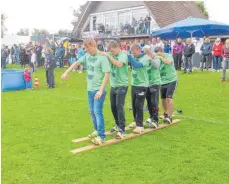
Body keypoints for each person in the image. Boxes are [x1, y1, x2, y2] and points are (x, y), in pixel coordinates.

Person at [61, 38, 110, 145]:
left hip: (98, 90)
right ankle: (97, 130)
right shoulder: (87, 56)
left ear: (93, 45)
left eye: (88, 48)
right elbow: (77, 63)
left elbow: (107, 74)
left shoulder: (103, 57)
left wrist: (101, 91)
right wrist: (66, 72)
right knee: (91, 112)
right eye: (86, 49)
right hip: (90, 89)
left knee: (97, 112)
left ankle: (101, 136)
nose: (87, 51)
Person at [99, 40, 129, 139]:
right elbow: (99, 53)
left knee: (119, 106)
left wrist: (108, 56)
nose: (111, 53)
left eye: (112, 51)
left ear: (117, 47)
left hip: (122, 85)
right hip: (114, 85)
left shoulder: (122, 55)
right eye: (110, 51)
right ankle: (117, 125)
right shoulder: (111, 53)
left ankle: (122, 130)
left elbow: (119, 64)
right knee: (113, 106)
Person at [127, 43, 150, 134]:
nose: (133, 54)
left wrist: (129, 56)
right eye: (131, 52)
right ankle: (135, 121)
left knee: (139, 105)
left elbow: (136, 65)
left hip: (142, 85)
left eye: (134, 52)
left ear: (138, 49)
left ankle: (140, 126)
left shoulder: (145, 58)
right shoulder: (134, 57)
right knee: (133, 104)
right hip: (134, 84)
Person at [154, 46, 178, 124]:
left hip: (172, 80)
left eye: (159, 53)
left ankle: (169, 116)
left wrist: (160, 58)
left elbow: (168, 62)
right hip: (162, 82)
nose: (158, 55)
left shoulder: (168, 55)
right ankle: (166, 113)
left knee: (169, 98)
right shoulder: (157, 59)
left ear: (162, 51)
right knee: (163, 99)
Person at [143, 46, 161, 128]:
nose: (147, 53)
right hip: (147, 83)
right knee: (149, 102)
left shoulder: (155, 56)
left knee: (154, 102)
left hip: (155, 82)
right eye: (145, 52)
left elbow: (157, 66)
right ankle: (151, 116)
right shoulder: (144, 57)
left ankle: (155, 120)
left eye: (148, 51)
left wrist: (150, 59)